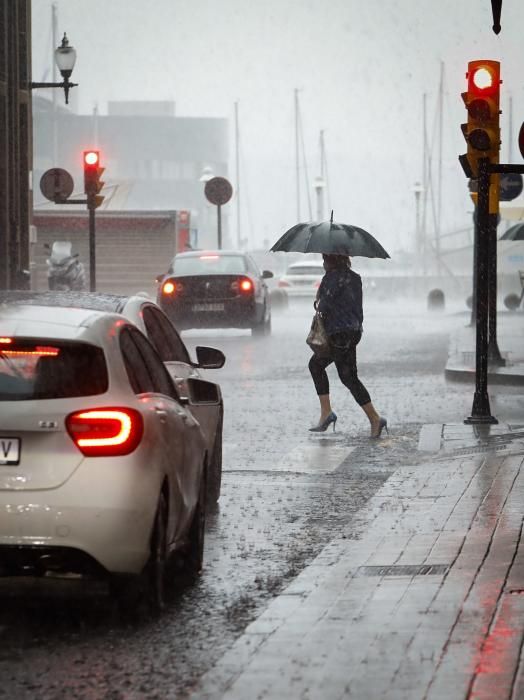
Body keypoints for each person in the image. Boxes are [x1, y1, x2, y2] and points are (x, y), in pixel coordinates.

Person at [308, 253, 387, 438]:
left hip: (338, 334)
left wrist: (319, 297)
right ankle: (332, 413)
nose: (323, 262)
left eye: (324, 258)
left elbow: (324, 307)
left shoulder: (332, 278)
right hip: (353, 331)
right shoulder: (354, 278)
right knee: (342, 375)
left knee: (335, 372)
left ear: (330, 260)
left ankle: (373, 418)